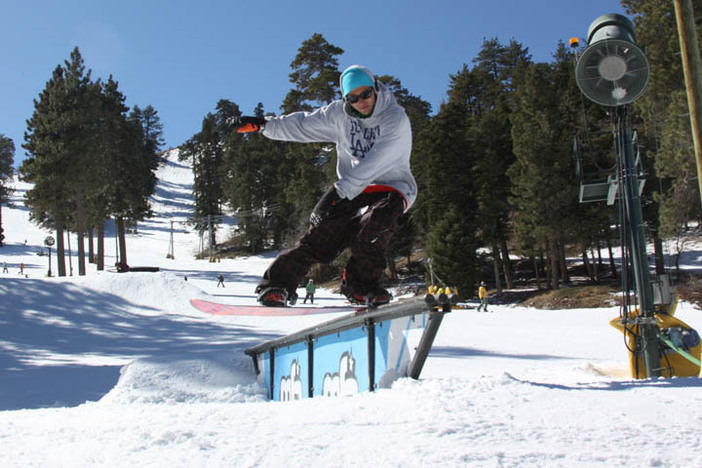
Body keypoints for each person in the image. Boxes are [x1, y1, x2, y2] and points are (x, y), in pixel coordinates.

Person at [232, 65, 416, 307]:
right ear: (345, 98)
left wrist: (334, 195)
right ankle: (277, 284)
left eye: (366, 95)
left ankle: (360, 286)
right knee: (321, 239)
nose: (361, 102)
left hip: (392, 188)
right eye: (353, 98)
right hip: (352, 190)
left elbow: (374, 164)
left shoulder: (395, 119)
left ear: (376, 90)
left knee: (375, 228)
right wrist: (265, 125)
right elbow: (303, 124)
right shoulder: (339, 115)